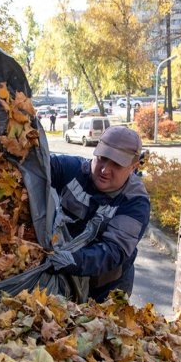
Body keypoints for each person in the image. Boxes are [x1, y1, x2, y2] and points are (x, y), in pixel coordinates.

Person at [47, 126, 150, 301]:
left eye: (116, 164)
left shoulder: (135, 203)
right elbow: (39, 167)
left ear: (132, 167)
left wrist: (73, 261)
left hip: (108, 287)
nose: (104, 170)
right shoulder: (74, 170)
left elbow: (113, 251)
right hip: (66, 275)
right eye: (102, 158)